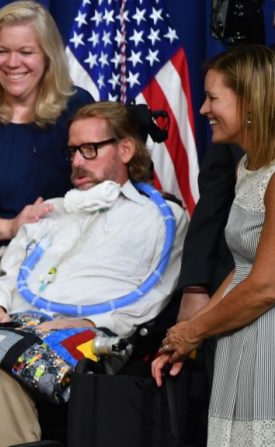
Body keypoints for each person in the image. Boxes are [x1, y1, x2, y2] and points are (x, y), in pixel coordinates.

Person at [0, 102, 188, 446]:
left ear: (125, 149)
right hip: (17, 325)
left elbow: (156, 293)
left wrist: (93, 324)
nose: (77, 162)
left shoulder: (161, 218)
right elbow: (10, 273)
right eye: (73, 152)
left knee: (2, 370)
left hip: (92, 340)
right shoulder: (52, 210)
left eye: (89, 150)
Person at [153, 44, 275, 447]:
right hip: (240, 335)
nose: (203, 109)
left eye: (212, 97)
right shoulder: (247, 165)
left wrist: (194, 331)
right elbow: (241, 268)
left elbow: (265, 285)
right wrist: (187, 333)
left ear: (251, 101)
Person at [0, 0, 94, 324]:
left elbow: (104, 186)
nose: (13, 63)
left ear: (47, 56)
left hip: (63, 260)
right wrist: (12, 227)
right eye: (2, 51)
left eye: (26, 52)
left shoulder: (79, 108)